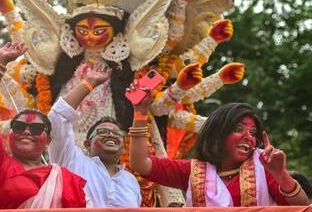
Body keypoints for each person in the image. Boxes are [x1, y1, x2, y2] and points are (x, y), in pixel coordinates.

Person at [128, 85, 310, 207]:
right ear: (218, 135)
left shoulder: (264, 167)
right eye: (239, 129)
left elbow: (302, 206)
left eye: (253, 133)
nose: (249, 137)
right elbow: (140, 163)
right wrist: (140, 113)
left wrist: (281, 174)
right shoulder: (193, 170)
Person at [0, 41, 87, 209]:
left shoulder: (64, 178)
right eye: (18, 126)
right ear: (9, 133)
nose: (26, 131)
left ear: (48, 141)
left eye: (36, 129)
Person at [48, 65, 141, 207]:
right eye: (102, 132)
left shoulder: (130, 181)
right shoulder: (71, 160)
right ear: (87, 144)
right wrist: (89, 83)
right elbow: (57, 116)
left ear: (123, 145)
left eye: (117, 133)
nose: (111, 134)